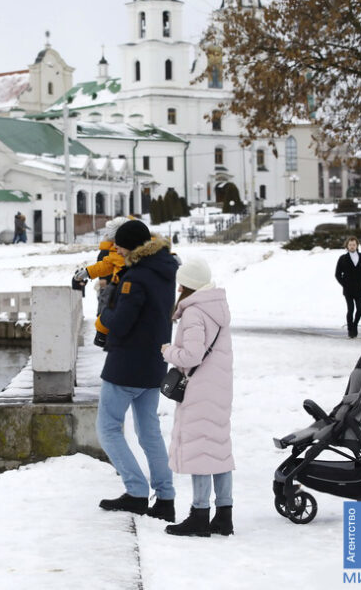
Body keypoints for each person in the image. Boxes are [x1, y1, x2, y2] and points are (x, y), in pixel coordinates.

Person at [96, 220, 178, 522]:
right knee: (148, 431)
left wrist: (106, 308)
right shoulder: (164, 268)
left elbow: (121, 322)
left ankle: (136, 492)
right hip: (154, 362)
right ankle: (165, 497)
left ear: (130, 246)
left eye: (118, 244)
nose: (114, 248)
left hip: (127, 364)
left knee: (107, 428)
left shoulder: (137, 277)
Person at [160, 256, 235, 537]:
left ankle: (199, 515)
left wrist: (168, 351)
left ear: (190, 286)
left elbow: (191, 356)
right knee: (218, 448)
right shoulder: (217, 308)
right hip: (219, 387)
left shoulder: (194, 313)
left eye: (182, 286)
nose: (179, 291)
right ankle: (224, 516)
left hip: (200, 389)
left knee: (201, 450)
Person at [72, 216, 129, 345]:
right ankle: (103, 335)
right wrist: (88, 272)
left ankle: (103, 335)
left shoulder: (121, 253)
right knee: (106, 310)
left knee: (109, 310)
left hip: (120, 289)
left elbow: (106, 264)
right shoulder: (114, 252)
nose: (116, 247)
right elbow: (105, 264)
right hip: (116, 287)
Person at [335, 236, 361, 338]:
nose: (352, 247)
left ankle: (354, 325)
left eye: (354, 245)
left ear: (357, 245)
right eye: (350, 245)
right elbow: (337, 274)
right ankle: (350, 329)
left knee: (359, 310)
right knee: (350, 309)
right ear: (347, 246)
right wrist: (344, 284)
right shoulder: (343, 259)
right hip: (348, 290)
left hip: (360, 289)